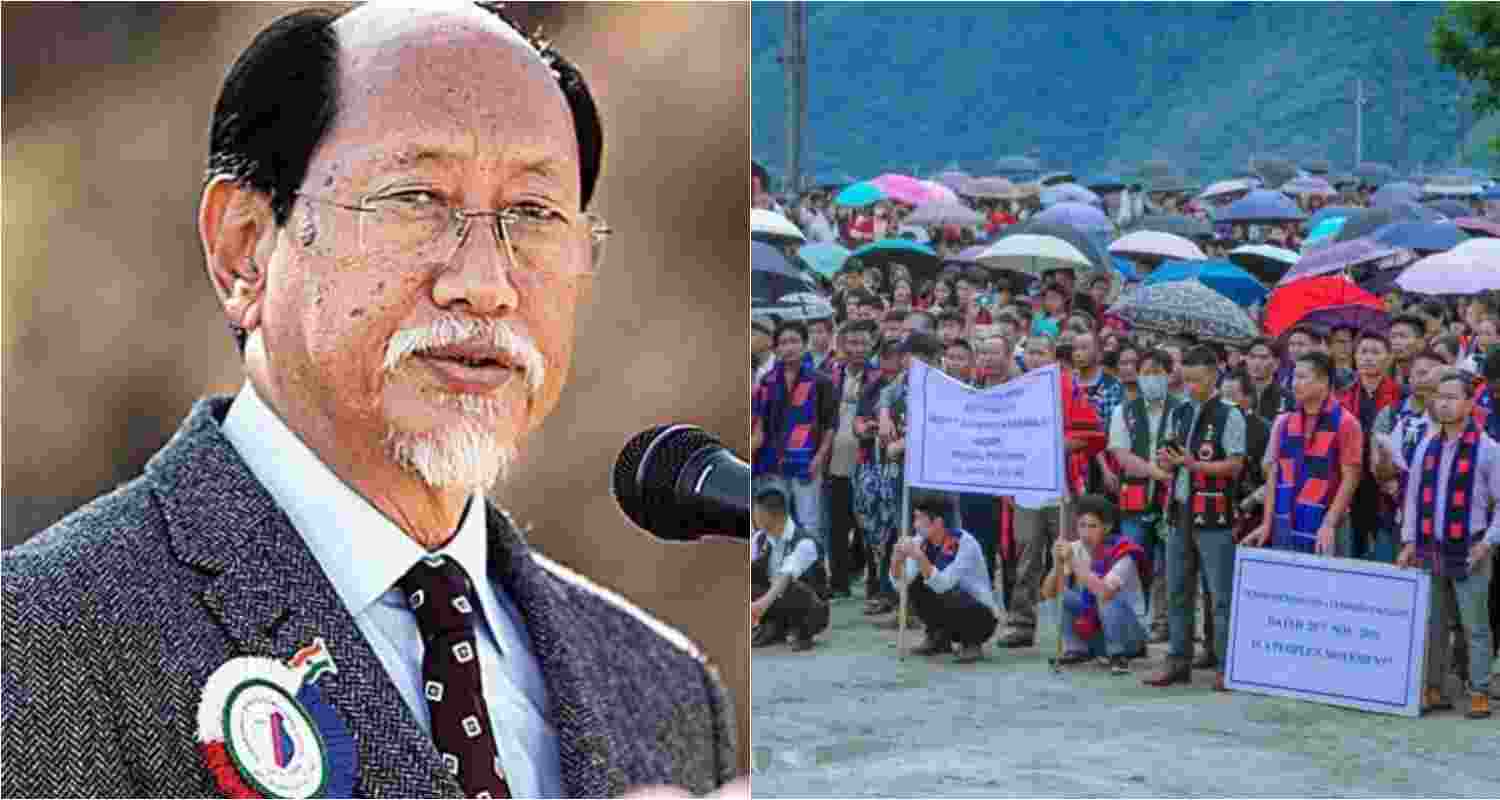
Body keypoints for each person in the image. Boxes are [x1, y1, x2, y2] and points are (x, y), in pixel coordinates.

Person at [2, 5, 736, 797]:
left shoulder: (669, 692)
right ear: (245, 248)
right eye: (417, 199)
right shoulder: (44, 637)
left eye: (531, 214)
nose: (485, 285)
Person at [1143, 346, 1246, 691]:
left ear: (1214, 375)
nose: (1191, 387)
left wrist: (1192, 465)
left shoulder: (1230, 414)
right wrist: (1167, 461)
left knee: (1219, 593)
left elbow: (1235, 465)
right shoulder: (1181, 411)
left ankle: (1226, 663)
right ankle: (1178, 659)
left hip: (1215, 512)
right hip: (1179, 507)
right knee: (1177, 588)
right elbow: (1169, 461)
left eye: (1197, 380)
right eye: (1186, 380)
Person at [1397, 370, 1496, 719]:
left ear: (1470, 403)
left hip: (1471, 547)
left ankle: (1479, 689)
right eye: (1440, 396)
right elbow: (1411, 497)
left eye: (1453, 396)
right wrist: (1409, 541)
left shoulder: (1487, 450)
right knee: (1433, 623)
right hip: (1429, 545)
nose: (1444, 403)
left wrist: (1486, 545)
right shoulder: (1427, 444)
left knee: (1475, 625)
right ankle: (1434, 687)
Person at [996, 334, 1107, 648]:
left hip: (1060, 490)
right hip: (1025, 489)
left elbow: (1092, 432)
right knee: (1026, 559)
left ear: (1053, 357)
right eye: (1029, 352)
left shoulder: (1068, 388)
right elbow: (1001, 441)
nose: (1034, 358)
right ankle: (1021, 623)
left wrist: (1062, 444)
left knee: (1070, 558)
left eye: (1040, 352)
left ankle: (1077, 627)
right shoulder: (1013, 391)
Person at [1246, 352, 1364, 556]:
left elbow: (1350, 479)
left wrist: (1329, 524)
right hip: (1284, 519)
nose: (1294, 384)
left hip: (1327, 524)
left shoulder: (1347, 423)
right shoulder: (1283, 422)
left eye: (1302, 377)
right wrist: (1267, 523)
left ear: (1323, 381)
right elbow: (1275, 476)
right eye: (1293, 377)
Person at [1107, 348, 1181, 636]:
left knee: (1167, 563)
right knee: (1132, 561)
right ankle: (1132, 621)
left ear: (1169, 376)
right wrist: (1157, 473)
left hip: (1170, 498)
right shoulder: (1122, 411)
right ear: (1136, 375)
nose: (1152, 378)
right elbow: (1121, 456)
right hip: (1134, 498)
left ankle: (1162, 621)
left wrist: (1169, 472)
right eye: (1147, 372)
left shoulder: (1182, 409)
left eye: (1158, 372)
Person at [753, 321, 838, 565]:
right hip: (773, 464)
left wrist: (819, 458)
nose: (788, 347)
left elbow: (830, 424)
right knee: (778, 519)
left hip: (806, 461)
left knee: (810, 521)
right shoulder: (767, 382)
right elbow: (762, 425)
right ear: (775, 347)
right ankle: (780, 572)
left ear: (804, 344)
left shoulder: (820, 381)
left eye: (794, 341)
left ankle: (814, 575)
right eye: (783, 342)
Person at [1042, 495, 1149, 674]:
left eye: (1092, 526)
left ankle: (1118, 655)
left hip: (1130, 637)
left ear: (1106, 528)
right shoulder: (1075, 548)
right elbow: (1047, 593)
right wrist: (1057, 564)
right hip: (1098, 631)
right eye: (1081, 525)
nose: (1085, 532)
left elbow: (1104, 592)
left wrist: (1073, 562)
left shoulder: (1123, 552)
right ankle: (1077, 649)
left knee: (1107, 594)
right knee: (1061, 593)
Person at [891, 493, 1001, 664]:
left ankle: (972, 642)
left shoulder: (964, 542)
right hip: (950, 605)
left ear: (938, 523)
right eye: (915, 518)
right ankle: (938, 637)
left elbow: (943, 584)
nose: (915, 525)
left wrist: (920, 558)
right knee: (916, 583)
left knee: (948, 589)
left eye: (920, 519)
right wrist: (897, 560)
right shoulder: (921, 541)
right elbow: (902, 586)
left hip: (981, 616)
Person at [824, 320, 878, 599]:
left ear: (872, 346)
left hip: (867, 462)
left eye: (864, 343)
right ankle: (839, 583)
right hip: (834, 461)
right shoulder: (831, 374)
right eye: (852, 343)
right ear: (843, 346)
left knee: (867, 526)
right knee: (836, 525)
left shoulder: (879, 378)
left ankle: (873, 584)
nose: (858, 349)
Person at [751, 489, 832, 652]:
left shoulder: (805, 543)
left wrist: (760, 605)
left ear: (768, 515)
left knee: (789, 586)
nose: (753, 518)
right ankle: (773, 627)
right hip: (775, 601)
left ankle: (801, 633)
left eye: (756, 512)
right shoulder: (759, 538)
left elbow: (786, 574)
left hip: (809, 610)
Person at [1389, 313, 1428, 389]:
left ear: (1420, 342)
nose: (1396, 342)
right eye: (1393, 336)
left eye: (1403, 336)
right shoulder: (1381, 371)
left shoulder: (1431, 376)